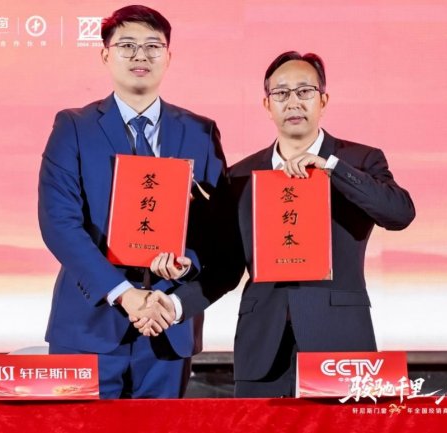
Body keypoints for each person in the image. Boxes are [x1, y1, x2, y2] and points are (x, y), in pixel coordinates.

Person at [138, 51, 416, 397]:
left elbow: (399, 214)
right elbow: (225, 269)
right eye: (281, 93)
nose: (293, 102)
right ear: (267, 105)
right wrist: (176, 305)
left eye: (304, 91)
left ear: (323, 100)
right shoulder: (240, 177)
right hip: (262, 348)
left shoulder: (358, 160)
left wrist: (331, 167)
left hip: (340, 344)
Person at [38, 5, 229, 398]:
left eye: (152, 46)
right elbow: (60, 223)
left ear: (168, 56)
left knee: (160, 426)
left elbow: (217, 229)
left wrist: (186, 265)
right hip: (89, 323)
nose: (140, 55)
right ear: (105, 55)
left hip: (167, 325)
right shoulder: (74, 126)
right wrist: (124, 293)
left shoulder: (200, 132)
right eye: (127, 45)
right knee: (79, 428)